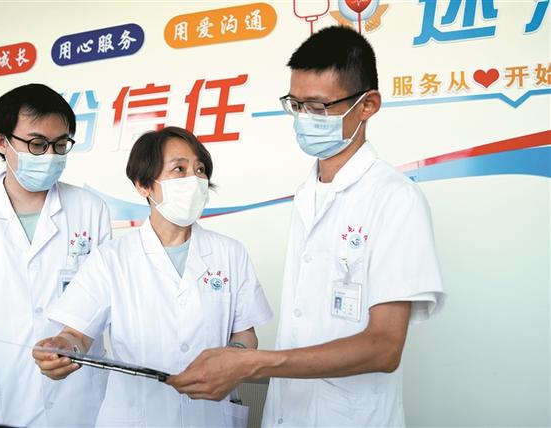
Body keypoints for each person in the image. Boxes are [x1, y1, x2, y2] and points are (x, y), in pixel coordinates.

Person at [167, 26, 446, 427]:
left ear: (367, 105)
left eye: (317, 107)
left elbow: (384, 348)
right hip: (287, 413)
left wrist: (254, 363)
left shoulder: (395, 198)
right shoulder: (306, 193)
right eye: (295, 105)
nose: (303, 119)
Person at [32, 126, 273, 427]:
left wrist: (233, 357)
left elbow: (245, 334)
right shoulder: (112, 259)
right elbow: (77, 334)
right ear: (144, 185)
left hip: (209, 415)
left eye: (200, 170)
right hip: (137, 417)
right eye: (179, 169)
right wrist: (62, 348)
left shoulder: (230, 253)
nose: (194, 179)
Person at [0, 83, 111, 427]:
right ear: (2, 143)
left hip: (76, 389)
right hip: (2, 384)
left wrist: (73, 341)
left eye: (60, 144)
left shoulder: (91, 209)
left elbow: (104, 298)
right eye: (37, 144)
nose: (50, 155)